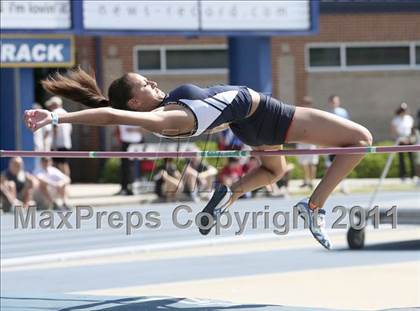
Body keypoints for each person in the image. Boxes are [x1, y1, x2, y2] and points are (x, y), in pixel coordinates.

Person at [24, 67, 373, 249]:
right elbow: (112, 116)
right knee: (361, 139)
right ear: (134, 103)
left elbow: (112, 111)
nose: (152, 83)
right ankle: (313, 208)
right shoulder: (166, 118)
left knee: (274, 170)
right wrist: (57, 118)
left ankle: (229, 194)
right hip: (267, 116)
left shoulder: (165, 110)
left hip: (247, 126)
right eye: (144, 84)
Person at [327, 94, 350, 194]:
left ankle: (343, 186)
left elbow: (348, 125)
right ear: (330, 102)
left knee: (343, 163)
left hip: (342, 141)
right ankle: (329, 187)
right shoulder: (327, 113)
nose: (334, 103)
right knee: (331, 165)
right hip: (331, 141)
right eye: (332, 101)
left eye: (336, 101)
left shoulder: (343, 112)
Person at [45, 96, 72, 177]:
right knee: (64, 163)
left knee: (58, 164)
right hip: (66, 143)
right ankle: (66, 181)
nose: (50, 107)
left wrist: (54, 144)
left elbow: (55, 128)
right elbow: (70, 129)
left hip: (58, 143)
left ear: (54, 104)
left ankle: (62, 183)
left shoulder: (54, 113)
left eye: (51, 105)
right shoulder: (66, 113)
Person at [296, 97, 319, 190]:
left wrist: (318, 143)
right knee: (303, 163)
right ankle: (306, 181)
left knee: (312, 163)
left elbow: (318, 130)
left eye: (308, 103)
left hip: (311, 142)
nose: (306, 104)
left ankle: (312, 182)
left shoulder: (314, 114)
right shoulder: (299, 113)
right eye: (304, 103)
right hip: (301, 142)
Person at [390, 102, 415, 181]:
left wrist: (411, 138)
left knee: (411, 158)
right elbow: (393, 131)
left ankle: (412, 175)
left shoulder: (409, 118)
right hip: (400, 140)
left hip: (409, 139)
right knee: (401, 159)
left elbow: (412, 130)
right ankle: (402, 175)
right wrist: (399, 138)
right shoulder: (396, 119)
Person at [116, 125, 143, 195]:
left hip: (137, 144)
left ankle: (132, 187)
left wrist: (134, 129)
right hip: (125, 143)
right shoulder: (122, 118)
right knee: (125, 167)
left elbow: (145, 130)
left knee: (135, 167)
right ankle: (124, 188)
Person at [32, 103, 52, 172]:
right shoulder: (35, 119)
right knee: (38, 162)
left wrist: (44, 143)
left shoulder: (44, 117)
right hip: (39, 145)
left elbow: (47, 131)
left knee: (46, 160)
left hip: (43, 144)